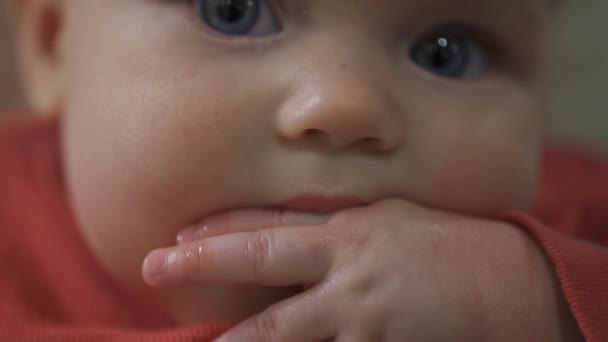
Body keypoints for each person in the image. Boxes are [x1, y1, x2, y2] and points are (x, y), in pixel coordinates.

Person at [1, 0, 606, 340]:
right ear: (54, 44)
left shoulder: (577, 227)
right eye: (233, 12)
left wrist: (544, 306)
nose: (343, 105)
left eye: (446, 52)